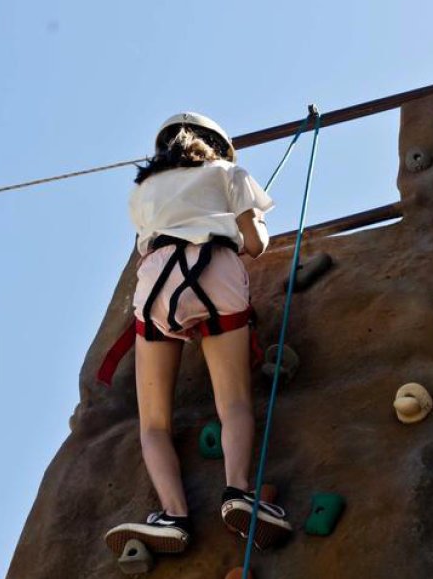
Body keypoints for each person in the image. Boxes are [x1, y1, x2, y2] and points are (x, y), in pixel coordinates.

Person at [104, 112, 291, 556]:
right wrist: (253, 224)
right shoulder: (229, 173)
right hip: (216, 275)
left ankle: (173, 515)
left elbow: (143, 245)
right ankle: (238, 493)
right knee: (234, 404)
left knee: (153, 424)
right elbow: (255, 245)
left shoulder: (142, 192)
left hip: (156, 289)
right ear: (217, 146)